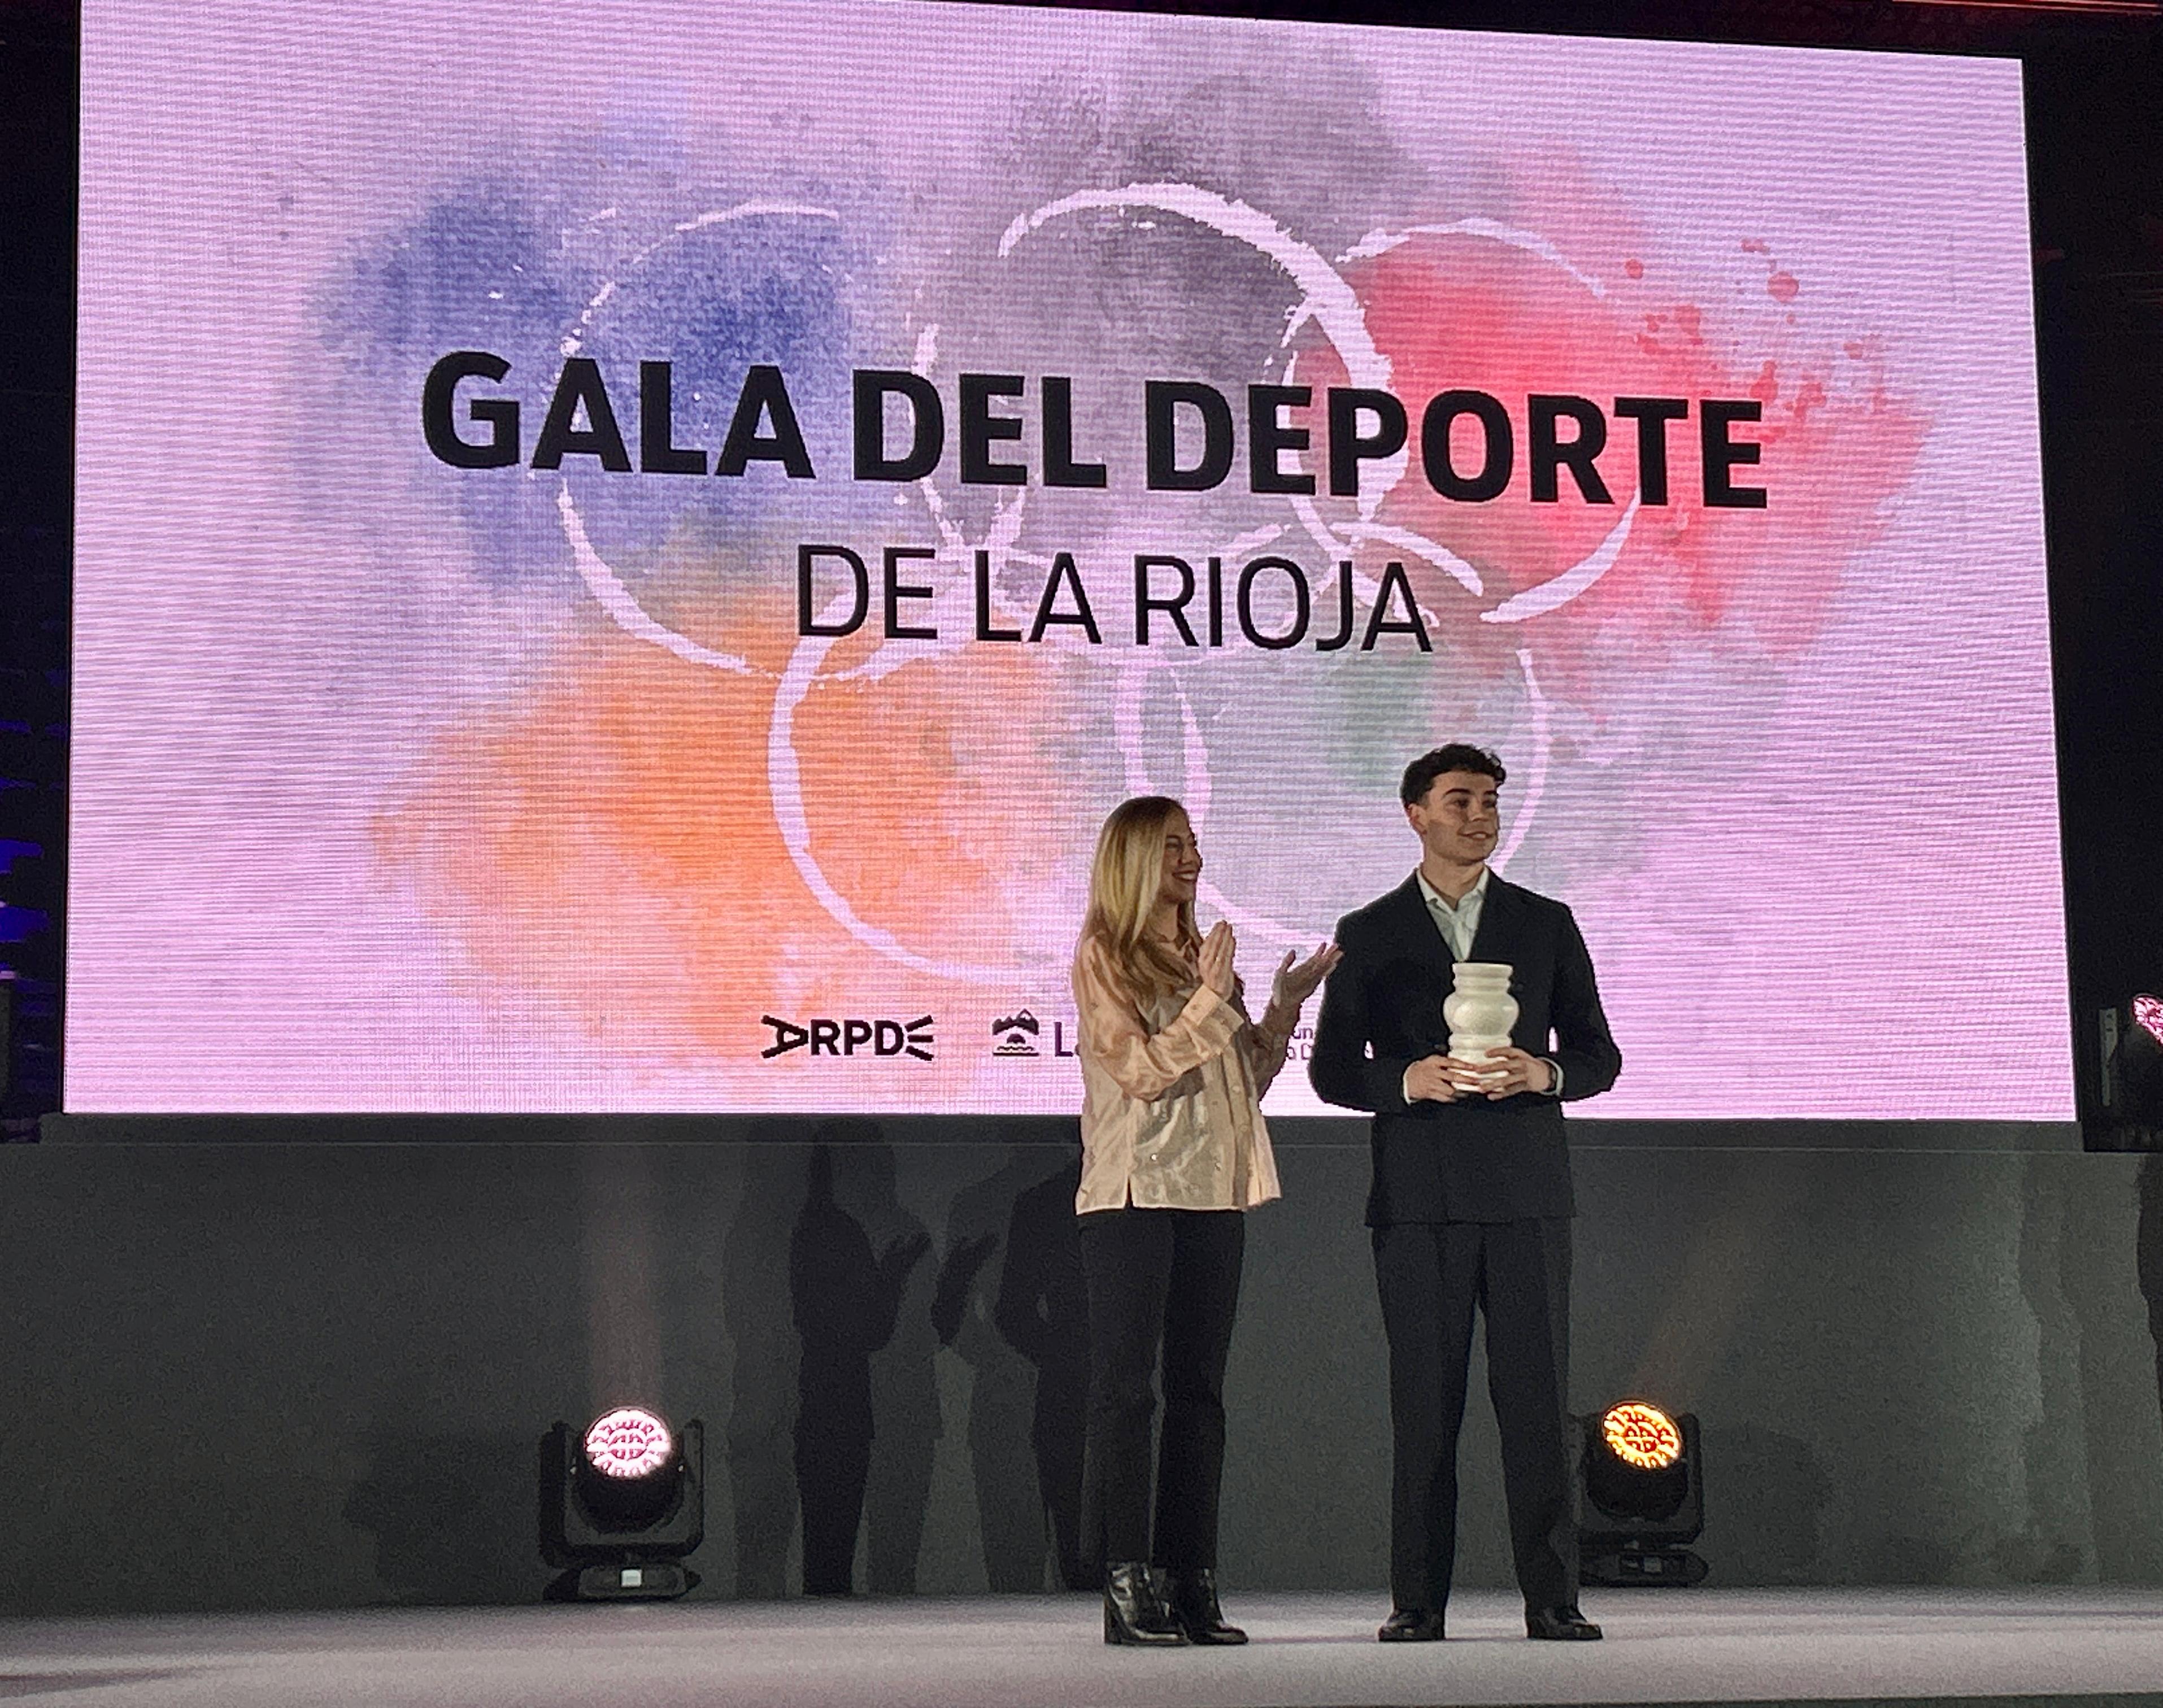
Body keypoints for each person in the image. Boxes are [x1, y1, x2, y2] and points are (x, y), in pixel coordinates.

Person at [1310, 744, 1621, 1644]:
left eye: (1488, 801)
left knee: (1537, 1406)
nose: (1479, 815)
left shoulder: (1545, 922)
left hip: (1526, 1193)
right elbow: (1332, 1069)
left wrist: (1544, 1071)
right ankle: (1416, 1601)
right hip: (1420, 1200)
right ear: (1415, 813)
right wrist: (1405, 1080)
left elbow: (1598, 1055)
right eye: (1459, 801)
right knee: (1424, 1407)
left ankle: (1553, 1598)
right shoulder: (1369, 930)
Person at [1072, 795, 1339, 1646]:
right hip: (1132, 1193)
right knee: (1126, 1394)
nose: (1192, 858)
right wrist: (1210, 1001)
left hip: (1213, 1192)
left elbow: (1240, 1083)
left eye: (1193, 843)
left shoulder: (1200, 957)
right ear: (1133, 861)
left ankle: (1191, 1580)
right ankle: (1126, 1583)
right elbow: (1142, 1073)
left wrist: (1281, 1007)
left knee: (1201, 1397)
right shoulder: (1105, 954)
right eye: (1173, 846)